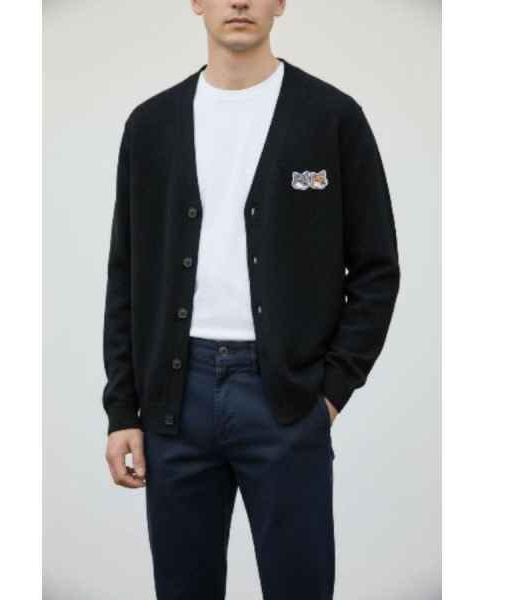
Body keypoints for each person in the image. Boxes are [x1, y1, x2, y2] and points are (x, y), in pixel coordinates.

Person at [102, 1, 400, 598]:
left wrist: (330, 393)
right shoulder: (150, 125)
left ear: (281, 3)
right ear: (196, 2)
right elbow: (126, 276)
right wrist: (123, 410)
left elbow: (376, 269)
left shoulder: (331, 118)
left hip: (286, 400)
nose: (239, 2)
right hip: (174, 401)